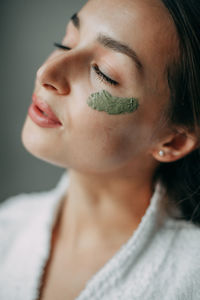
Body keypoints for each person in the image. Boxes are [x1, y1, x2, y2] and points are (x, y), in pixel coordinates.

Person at [1, 0, 200, 299]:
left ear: (173, 141)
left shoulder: (191, 277)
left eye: (104, 73)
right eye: (65, 43)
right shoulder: (8, 228)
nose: (47, 72)